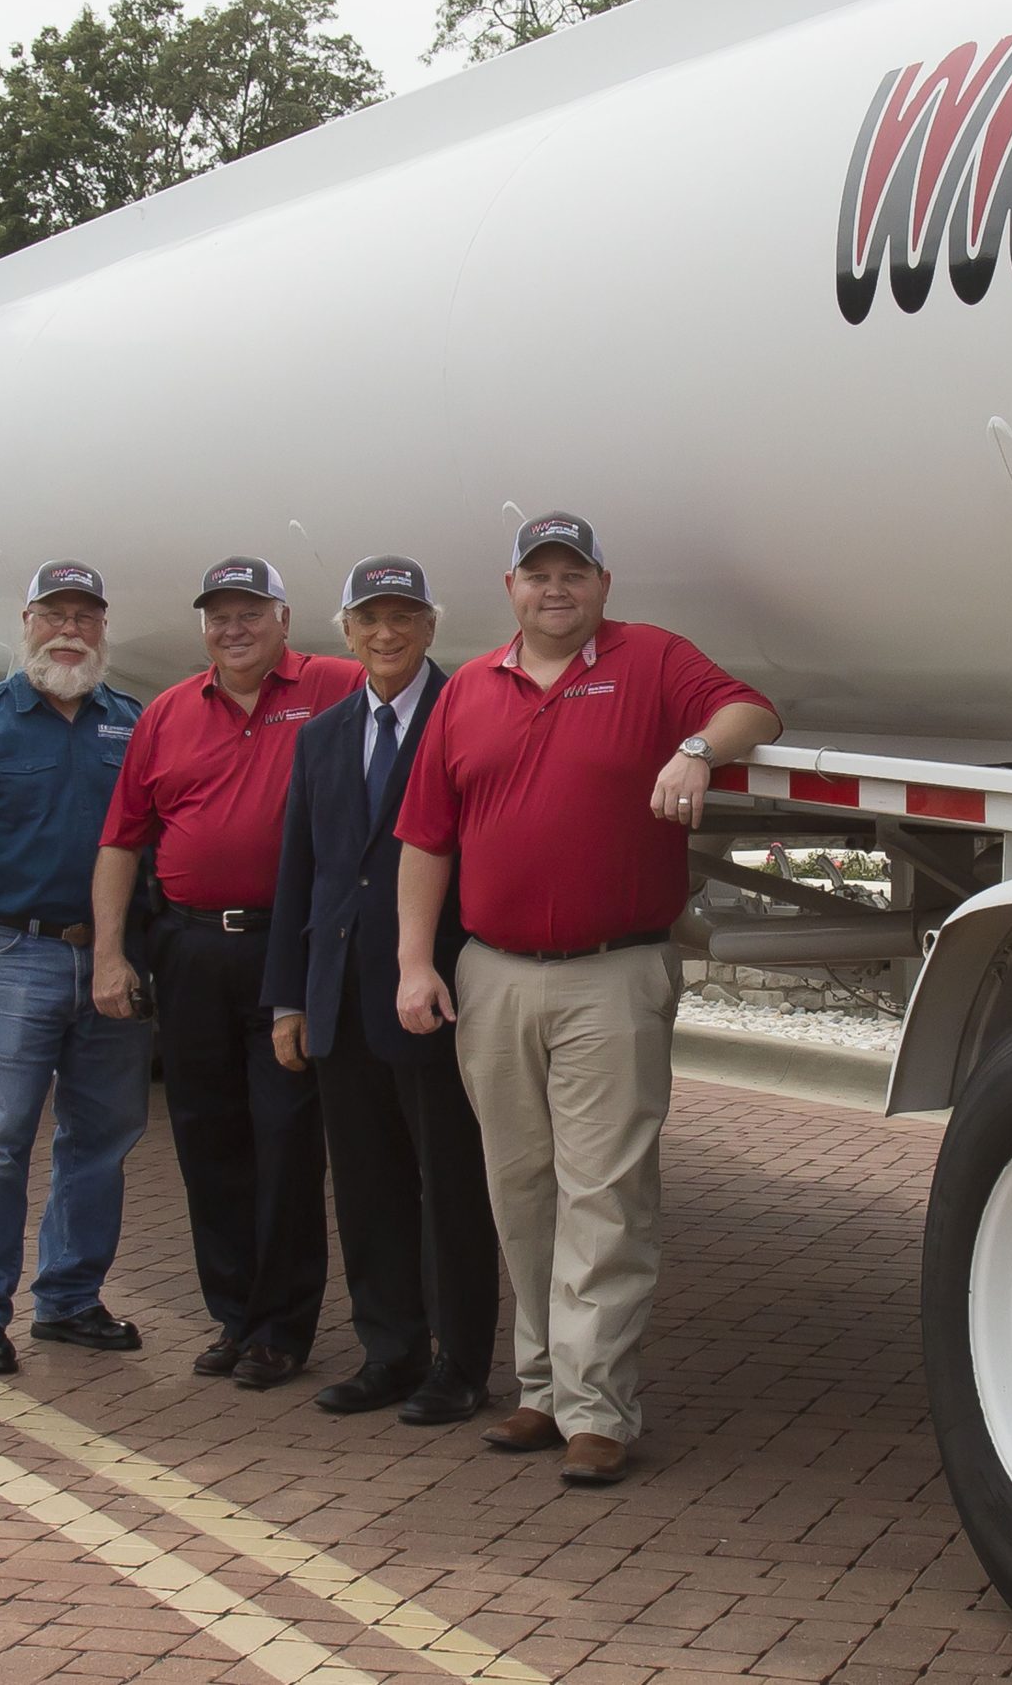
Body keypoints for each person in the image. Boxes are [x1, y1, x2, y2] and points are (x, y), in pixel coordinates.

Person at [394, 513, 781, 1486]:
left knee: (604, 1193)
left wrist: (694, 747)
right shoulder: (468, 691)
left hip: (613, 973)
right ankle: (539, 1390)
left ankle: (597, 1408)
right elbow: (426, 838)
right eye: (538, 574)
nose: (554, 588)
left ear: (602, 584)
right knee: (518, 1190)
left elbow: (754, 713)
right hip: (492, 972)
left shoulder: (650, 661)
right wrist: (415, 961)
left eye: (573, 572)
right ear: (510, 588)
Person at [93, 558, 362, 1388]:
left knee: (285, 1137)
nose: (233, 627)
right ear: (202, 625)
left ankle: (284, 1327)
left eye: (250, 611)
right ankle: (234, 1316)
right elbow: (121, 840)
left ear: (285, 617)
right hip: (190, 950)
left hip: (292, 949)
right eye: (219, 614)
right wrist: (111, 950)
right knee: (207, 1138)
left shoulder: (339, 684)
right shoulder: (168, 713)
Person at [264, 554, 498, 1425]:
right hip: (340, 998)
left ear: (431, 626)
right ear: (347, 631)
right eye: (370, 618)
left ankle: (460, 1363)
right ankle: (389, 1351)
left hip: (433, 991)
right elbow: (301, 872)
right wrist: (289, 996)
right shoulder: (321, 736)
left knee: (452, 1183)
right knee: (365, 1187)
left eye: (404, 616)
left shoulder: (464, 713)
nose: (387, 633)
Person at [0, 560, 154, 1377]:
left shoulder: (133, 721)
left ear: (103, 629)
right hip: (15, 956)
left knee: (102, 1140)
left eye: (86, 616)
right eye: (55, 614)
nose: (70, 631)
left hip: (112, 962)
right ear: (26, 622)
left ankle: (71, 1299)